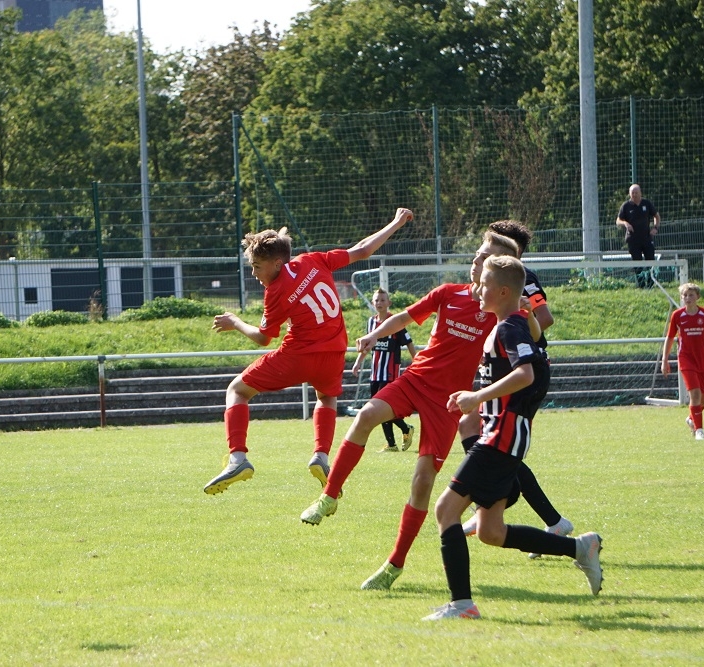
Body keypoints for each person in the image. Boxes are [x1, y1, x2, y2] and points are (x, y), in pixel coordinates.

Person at [300, 230, 521, 592]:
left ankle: (394, 565)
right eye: (476, 256)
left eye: (484, 258)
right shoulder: (448, 293)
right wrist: (374, 336)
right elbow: (403, 318)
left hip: (447, 404)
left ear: (498, 272)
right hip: (416, 380)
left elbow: (522, 344)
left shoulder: (501, 315)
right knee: (365, 416)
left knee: (422, 485)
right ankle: (330, 496)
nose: (475, 262)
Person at [424, 255, 603, 621]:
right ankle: (579, 548)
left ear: (503, 291)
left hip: (502, 436)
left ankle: (462, 605)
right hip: (503, 434)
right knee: (491, 531)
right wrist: (475, 397)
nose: (477, 288)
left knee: (445, 510)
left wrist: (476, 398)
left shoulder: (508, 327)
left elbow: (525, 375)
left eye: (484, 283)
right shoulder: (514, 321)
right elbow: (534, 344)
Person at [203, 207, 413, 495]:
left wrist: (235, 322)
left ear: (277, 263)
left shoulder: (275, 291)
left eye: (257, 267)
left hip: (299, 355)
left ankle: (237, 458)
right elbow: (363, 250)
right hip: (335, 353)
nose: (254, 274)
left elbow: (264, 338)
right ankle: (321, 456)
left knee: (237, 391)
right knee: (326, 398)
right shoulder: (314, 260)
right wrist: (396, 222)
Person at [460, 220, 574, 559]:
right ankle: (492, 500)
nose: (482, 256)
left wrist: (522, 322)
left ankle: (493, 501)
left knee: (501, 442)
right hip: (507, 365)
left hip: (527, 368)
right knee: (472, 428)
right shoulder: (488, 279)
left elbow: (545, 318)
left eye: (488, 251)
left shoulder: (524, 280)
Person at [661, 282, 704, 441]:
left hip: (702, 359)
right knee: (695, 394)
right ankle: (699, 430)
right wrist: (664, 360)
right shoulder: (677, 316)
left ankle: (691, 419)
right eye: (684, 295)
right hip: (686, 359)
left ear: (697, 297)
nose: (687, 298)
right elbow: (670, 338)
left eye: (691, 295)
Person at [350, 288, 418, 452]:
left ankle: (405, 429)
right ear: (373, 303)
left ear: (389, 303)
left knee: (380, 407)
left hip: (390, 373)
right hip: (375, 372)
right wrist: (358, 362)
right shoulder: (371, 323)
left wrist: (416, 361)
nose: (379, 303)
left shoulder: (395, 322)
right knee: (377, 408)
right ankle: (393, 443)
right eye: (376, 300)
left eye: (382, 300)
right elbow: (367, 346)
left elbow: (408, 342)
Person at [616, 184, 661, 288]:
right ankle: (641, 285)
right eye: (632, 193)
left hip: (646, 238)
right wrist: (625, 223)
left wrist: (655, 228)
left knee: (650, 261)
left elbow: (657, 216)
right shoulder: (626, 206)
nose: (635, 195)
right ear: (629, 194)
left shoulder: (647, 203)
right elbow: (618, 220)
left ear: (640, 193)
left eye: (636, 192)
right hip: (633, 240)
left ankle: (650, 285)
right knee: (637, 264)